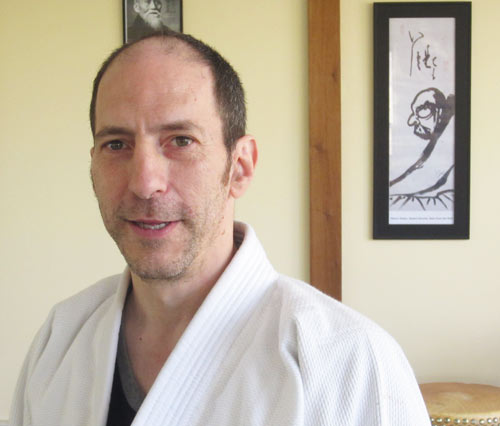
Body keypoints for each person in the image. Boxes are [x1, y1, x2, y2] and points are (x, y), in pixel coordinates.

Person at [9, 31, 431, 426]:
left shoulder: (349, 361)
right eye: (116, 144)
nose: (145, 182)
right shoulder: (61, 338)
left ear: (240, 167)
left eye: (181, 140)